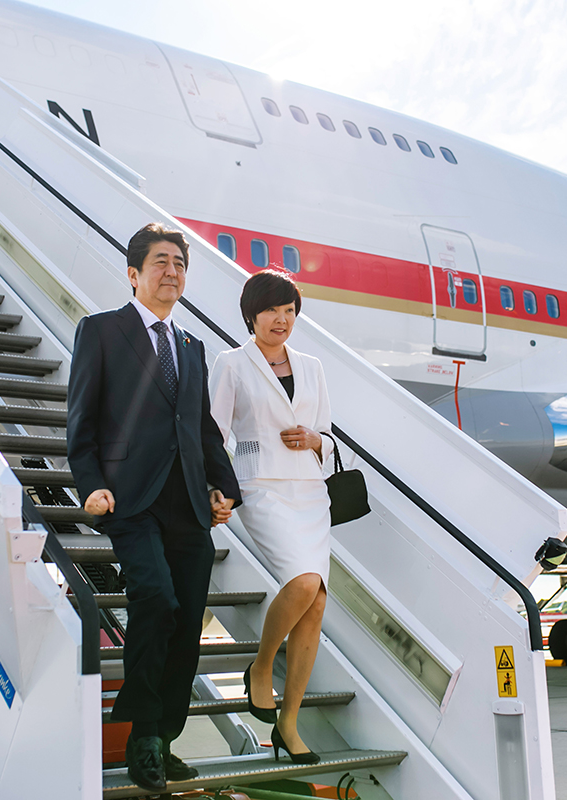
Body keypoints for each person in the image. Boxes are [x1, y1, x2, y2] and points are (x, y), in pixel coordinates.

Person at [66, 224, 241, 791]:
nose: (173, 272)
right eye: (162, 261)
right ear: (134, 272)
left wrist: (224, 486)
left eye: (180, 264)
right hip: (129, 499)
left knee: (188, 623)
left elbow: (202, 430)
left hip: (188, 504)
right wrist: (89, 483)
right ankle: (142, 735)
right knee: (155, 598)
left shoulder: (192, 349)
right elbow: (82, 420)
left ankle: (164, 739)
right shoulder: (100, 331)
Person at [208, 269, 333, 766]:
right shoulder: (231, 363)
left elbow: (326, 431)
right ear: (251, 315)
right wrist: (218, 489)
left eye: (289, 311)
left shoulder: (312, 365)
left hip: (309, 490)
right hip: (260, 487)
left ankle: (289, 723)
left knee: (317, 603)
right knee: (304, 584)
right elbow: (214, 433)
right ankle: (262, 668)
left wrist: (315, 439)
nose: (281, 320)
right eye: (271, 311)